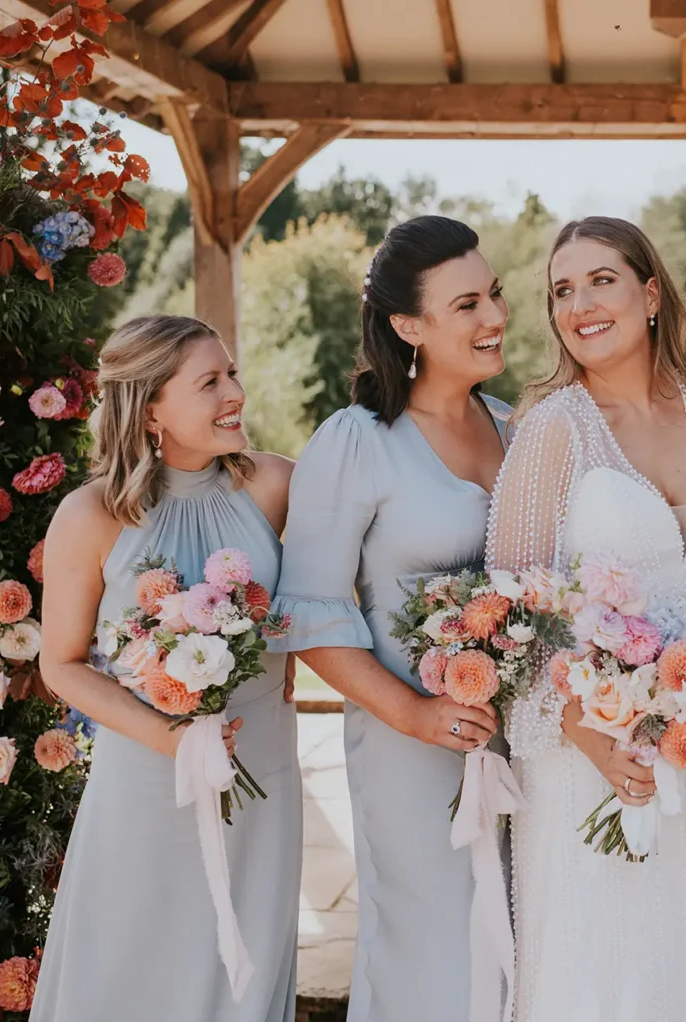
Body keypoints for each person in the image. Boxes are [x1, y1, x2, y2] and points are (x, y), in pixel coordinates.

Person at [485, 216, 686, 1022]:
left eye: (600, 280)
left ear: (648, 293)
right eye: (561, 290)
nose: (579, 304)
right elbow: (512, 614)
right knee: (595, 972)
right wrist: (589, 728)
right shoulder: (551, 431)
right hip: (586, 754)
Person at [268, 216, 513, 1021]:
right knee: (430, 951)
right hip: (409, 750)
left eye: (495, 295)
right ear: (410, 326)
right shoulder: (358, 440)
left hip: (528, 742)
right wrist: (414, 711)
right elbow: (309, 612)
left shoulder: (518, 427)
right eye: (468, 303)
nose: (494, 317)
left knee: (516, 945)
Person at [34, 315, 299, 1022]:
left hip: (262, 770)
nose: (234, 392)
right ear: (151, 406)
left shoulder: (274, 485)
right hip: (148, 783)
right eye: (210, 382)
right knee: (132, 965)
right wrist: (174, 738)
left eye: (232, 374)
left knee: (244, 961)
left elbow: (331, 600)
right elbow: (61, 664)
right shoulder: (92, 513)